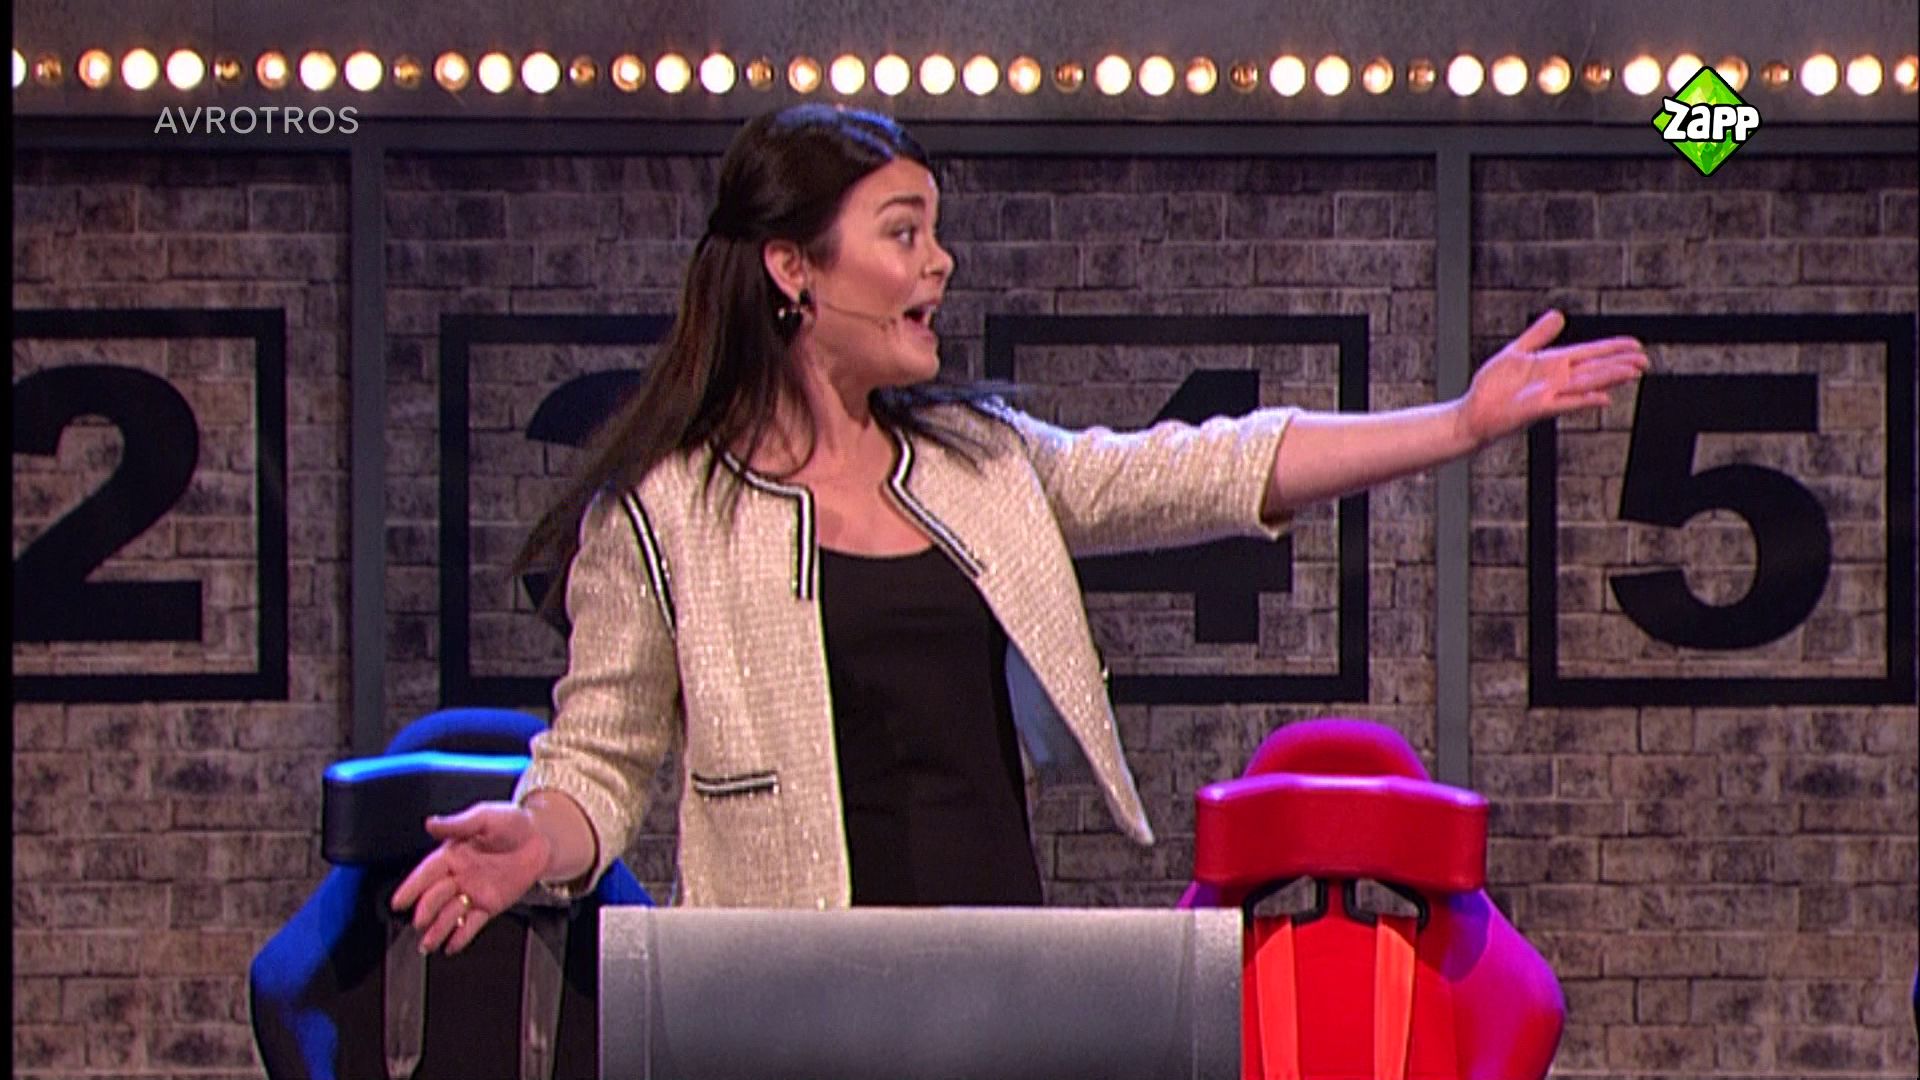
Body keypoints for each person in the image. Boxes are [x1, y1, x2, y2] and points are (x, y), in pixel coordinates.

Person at [393, 104, 1648, 954]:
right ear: (792, 268)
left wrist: (1457, 424)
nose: (939, 264)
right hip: (784, 992)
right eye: (903, 234)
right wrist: (536, 842)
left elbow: (1206, 467)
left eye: (934, 232)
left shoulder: (981, 463)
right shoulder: (662, 512)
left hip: (994, 969)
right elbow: (599, 762)